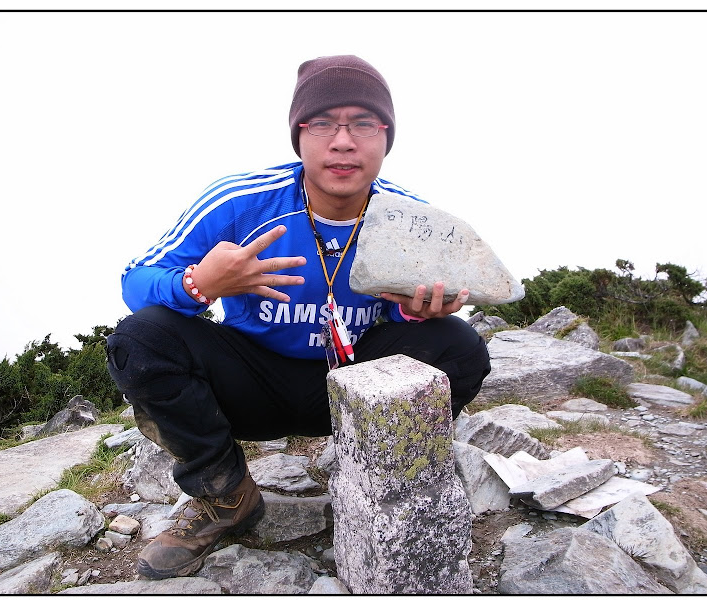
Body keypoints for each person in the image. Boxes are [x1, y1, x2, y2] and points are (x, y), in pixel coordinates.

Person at [107, 54, 491, 580]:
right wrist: (199, 285)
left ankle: (381, 473)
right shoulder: (242, 201)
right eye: (323, 123)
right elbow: (136, 280)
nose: (343, 142)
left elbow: (413, 308)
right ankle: (224, 496)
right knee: (141, 338)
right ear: (299, 135)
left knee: (460, 346)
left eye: (364, 123)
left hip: (352, 387)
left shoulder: (410, 219)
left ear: (386, 136)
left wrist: (413, 311)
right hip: (251, 383)